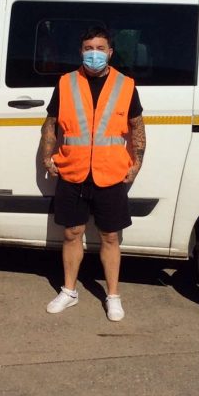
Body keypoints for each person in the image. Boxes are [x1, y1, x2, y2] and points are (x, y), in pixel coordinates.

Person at [40, 25, 146, 321]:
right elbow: (51, 123)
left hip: (110, 173)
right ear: (81, 52)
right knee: (72, 233)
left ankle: (113, 296)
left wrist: (136, 163)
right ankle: (69, 291)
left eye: (100, 48)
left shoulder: (126, 85)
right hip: (72, 170)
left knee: (110, 236)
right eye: (89, 48)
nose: (94, 54)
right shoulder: (66, 83)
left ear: (111, 52)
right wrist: (47, 155)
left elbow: (137, 126)